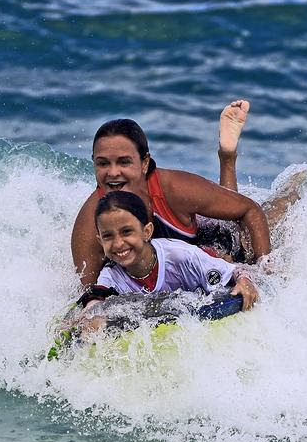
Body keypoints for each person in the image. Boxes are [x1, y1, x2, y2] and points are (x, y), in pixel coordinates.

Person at [71, 100, 271, 286]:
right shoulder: (90, 224)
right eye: (103, 163)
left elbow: (249, 209)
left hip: (204, 241)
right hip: (158, 267)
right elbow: (90, 292)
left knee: (236, 236)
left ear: (144, 163)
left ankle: (227, 156)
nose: (113, 173)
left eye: (124, 162)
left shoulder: (175, 189)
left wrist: (263, 272)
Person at [81, 190, 258, 316]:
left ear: (147, 232)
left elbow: (234, 272)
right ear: (100, 241)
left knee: (242, 252)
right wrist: (87, 316)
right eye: (108, 236)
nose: (118, 243)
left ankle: (227, 159)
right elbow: (96, 297)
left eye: (127, 232)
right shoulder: (111, 275)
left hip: (214, 251)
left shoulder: (181, 256)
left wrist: (245, 280)